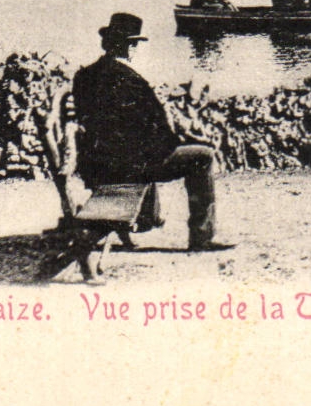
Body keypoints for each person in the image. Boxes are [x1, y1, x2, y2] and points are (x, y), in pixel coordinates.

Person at [71, 13, 226, 251]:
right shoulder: (130, 81)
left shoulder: (85, 76)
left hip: (97, 164)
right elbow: (154, 130)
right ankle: (201, 237)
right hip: (127, 166)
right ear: (128, 46)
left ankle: (148, 217)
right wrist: (178, 141)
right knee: (203, 156)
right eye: (134, 43)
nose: (135, 48)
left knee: (167, 151)